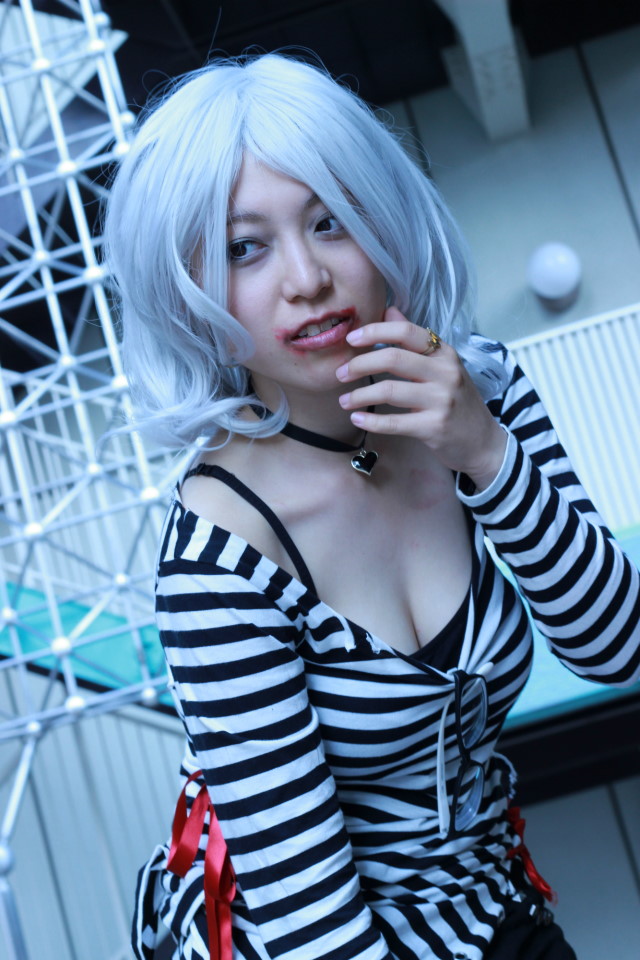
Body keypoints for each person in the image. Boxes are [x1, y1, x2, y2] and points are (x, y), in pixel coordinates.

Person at [104, 53, 640, 960]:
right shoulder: (219, 559)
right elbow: (310, 921)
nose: (307, 278)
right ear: (190, 293)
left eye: (331, 221)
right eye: (244, 248)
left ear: (383, 223)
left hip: (494, 913)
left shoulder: (479, 390)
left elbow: (614, 644)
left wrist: (484, 453)